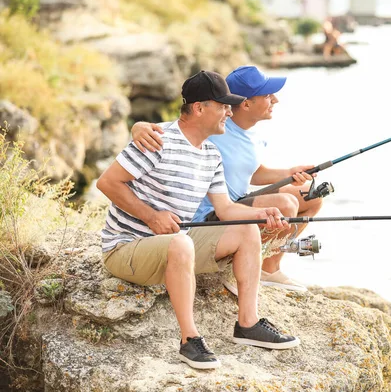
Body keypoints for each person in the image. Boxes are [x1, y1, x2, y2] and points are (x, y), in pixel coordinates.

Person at [97, 70, 300, 371]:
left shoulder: (211, 155)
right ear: (199, 108)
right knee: (181, 243)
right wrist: (151, 216)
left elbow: (227, 210)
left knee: (244, 230)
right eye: (223, 105)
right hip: (126, 249)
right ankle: (189, 340)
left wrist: (261, 215)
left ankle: (248, 324)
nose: (229, 112)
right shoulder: (157, 139)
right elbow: (107, 183)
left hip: (176, 248)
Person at [131, 66, 324, 295]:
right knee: (286, 205)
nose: (276, 100)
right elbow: (179, 127)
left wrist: (288, 173)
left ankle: (269, 268)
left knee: (311, 197)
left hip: (237, 200)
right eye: (267, 95)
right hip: (214, 213)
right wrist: (138, 127)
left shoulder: (254, 134)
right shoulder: (216, 126)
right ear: (246, 104)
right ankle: (235, 266)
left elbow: (251, 172)